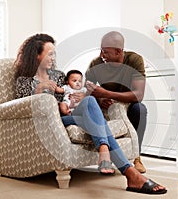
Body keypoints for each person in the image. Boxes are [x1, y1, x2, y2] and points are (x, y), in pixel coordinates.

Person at [14, 33, 167, 194]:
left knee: (90, 101)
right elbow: (21, 108)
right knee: (97, 120)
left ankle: (104, 148)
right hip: (53, 122)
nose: (53, 57)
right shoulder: (24, 81)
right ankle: (129, 172)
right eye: (49, 53)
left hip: (71, 115)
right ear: (37, 56)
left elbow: (74, 94)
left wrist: (81, 97)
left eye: (54, 53)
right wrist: (38, 90)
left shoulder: (59, 76)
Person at [85, 31, 147, 173]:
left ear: (118, 51)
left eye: (105, 52)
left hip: (128, 105)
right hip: (106, 108)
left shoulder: (134, 60)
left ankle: (137, 157)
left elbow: (139, 94)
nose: (102, 55)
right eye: (101, 51)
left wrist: (107, 93)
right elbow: (86, 93)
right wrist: (100, 99)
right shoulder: (96, 64)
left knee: (140, 109)